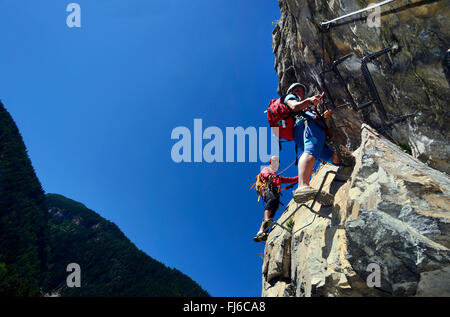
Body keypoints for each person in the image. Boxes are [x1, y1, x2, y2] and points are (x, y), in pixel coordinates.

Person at [283, 83, 351, 205]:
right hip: (306, 126)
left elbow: (309, 115)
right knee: (310, 151)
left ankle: (342, 157)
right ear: (291, 91)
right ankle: (302, 186)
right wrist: (309, 100)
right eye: (297, 90)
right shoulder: (291, 98)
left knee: (328, 157)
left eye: (302, 92)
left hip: (303, 131)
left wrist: (323, 115)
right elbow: (294, 107)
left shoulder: (303, 107)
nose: (300, 93)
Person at [253, 156, 298, 242]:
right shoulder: (267, 169)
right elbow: (264, 174)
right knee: (271, 200)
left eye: (277, 162)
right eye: (274, 162)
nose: (275, 164)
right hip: (267, 189)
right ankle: (266, 220)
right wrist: (269, 177)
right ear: (270, 163)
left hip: (275, 193)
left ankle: (261, 232)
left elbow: (290, 179)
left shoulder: (278, 177)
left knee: (272, 210)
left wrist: (301, 176)